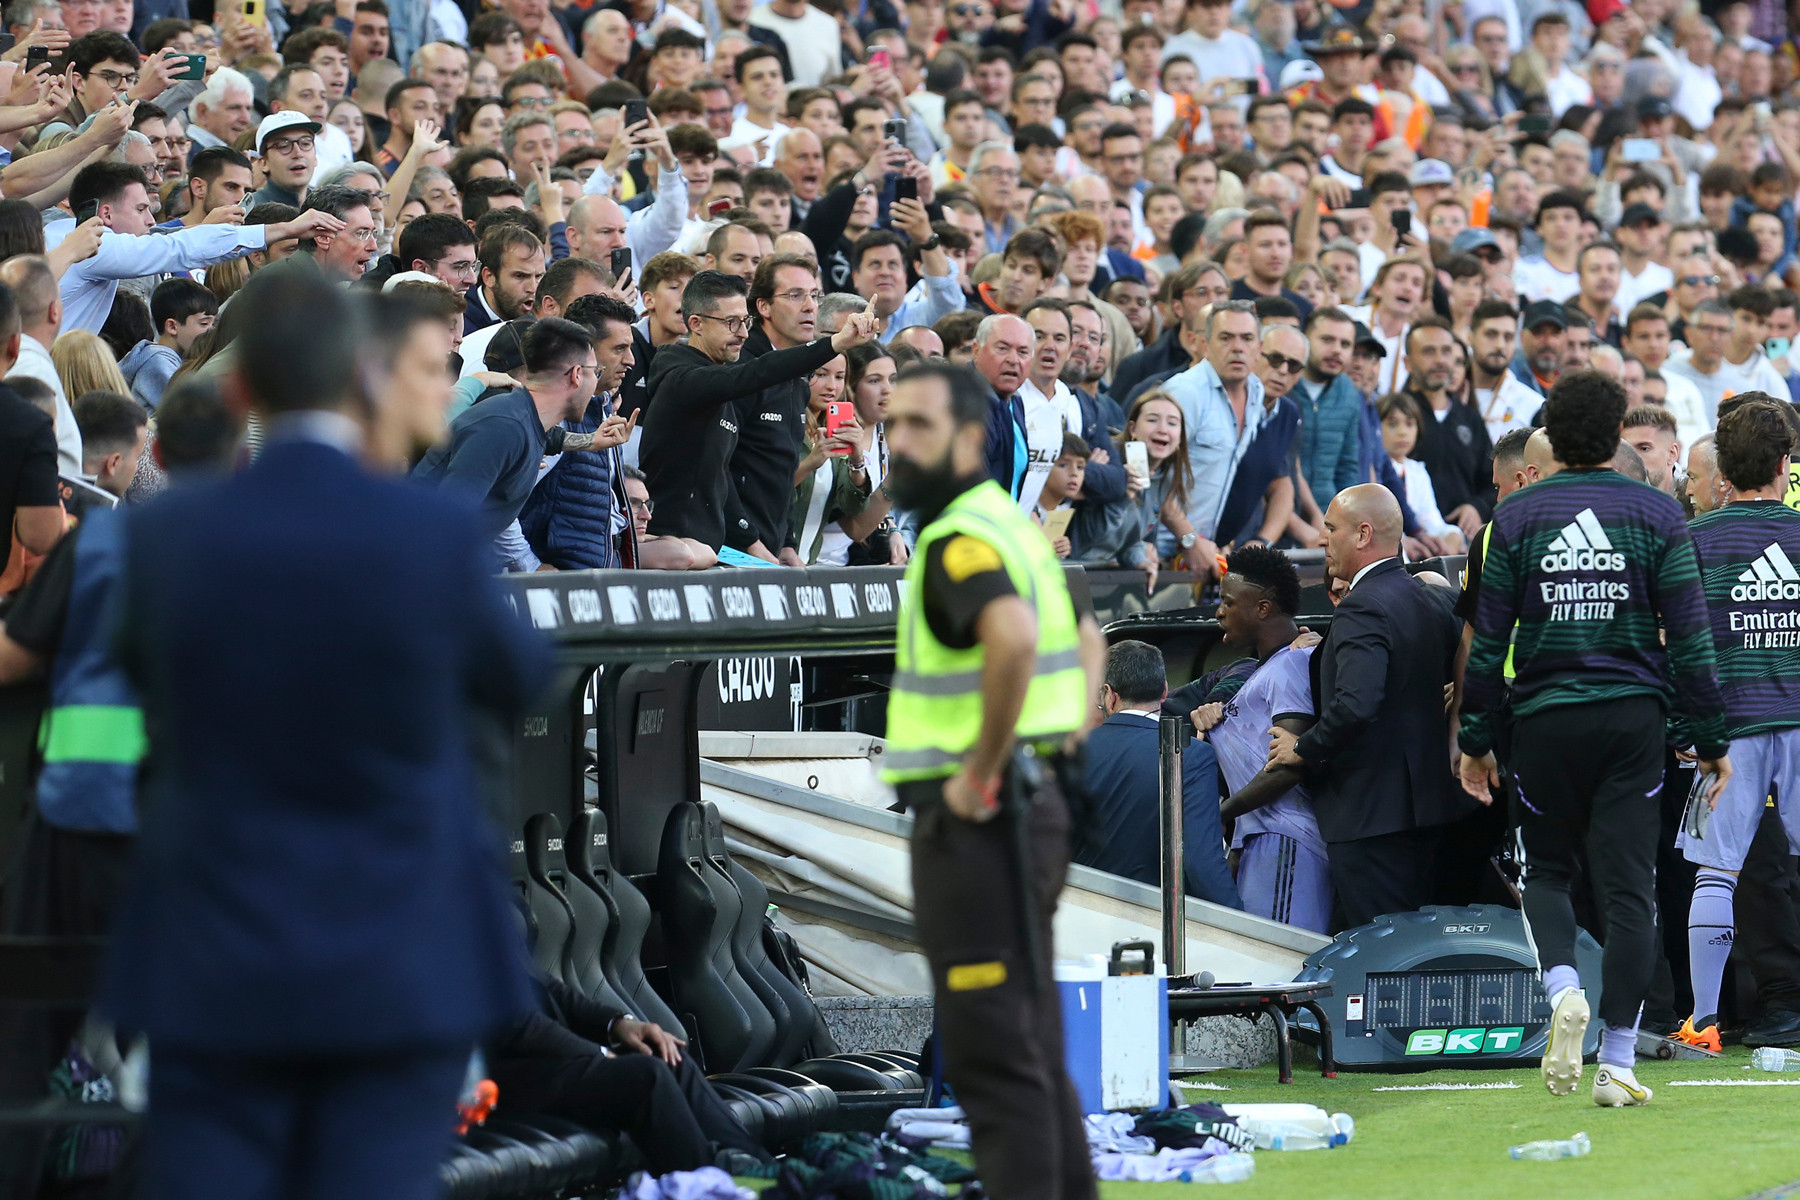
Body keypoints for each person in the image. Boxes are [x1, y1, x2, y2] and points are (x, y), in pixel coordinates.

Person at [98, 272, 552, 1200]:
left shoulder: (170, 533)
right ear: (365, 376)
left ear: (240, 389)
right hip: (396, 947)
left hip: (213, 943)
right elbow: (521, 675)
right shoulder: (427, 530)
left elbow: (136, 681)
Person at [1459, 369, 1731, 1109]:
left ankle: (1564, 992)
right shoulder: (1656, 514)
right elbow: (1693, 642)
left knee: (1545, 873)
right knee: (1629, 891)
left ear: (1552, 431)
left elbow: (1487, 645)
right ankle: (1615, 1061)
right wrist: (1710, 741)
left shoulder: (1513, 519)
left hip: (1543, 719)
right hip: (1632, 721)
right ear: (1615, 433)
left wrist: (1476, 738)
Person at [881, 359, 1104, 1200]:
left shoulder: (959, 538)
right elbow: (1088, 639)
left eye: (920, 427)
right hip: (1029, 799)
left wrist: (982, 767)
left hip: (980, 818)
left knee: (991, 1056)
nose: (899, 441)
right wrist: (1061, 746)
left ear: (971, 439)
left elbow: (1011, 637)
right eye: (893, 423)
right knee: (1031, 1044)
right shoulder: (1012, 523)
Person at [1267, 483, 1464, 929]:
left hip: (1371, 817)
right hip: (1426, 809)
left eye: (1331, 528)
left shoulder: (1363, 607)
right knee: (1413, 951)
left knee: (1380, 958)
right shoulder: (1427, 596)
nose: (1322, 539)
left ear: (1362, 535)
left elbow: (1356, 705)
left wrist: (1302, 747)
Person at [1675, 398, 1800, 1054]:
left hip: (1724, 733)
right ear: (1786, 465)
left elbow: (1677, 644)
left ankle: (1702, 1022)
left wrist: (1683, 726)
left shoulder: (1694, 541)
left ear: (1722, 468)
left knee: (1713, 873)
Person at [639, 270, 877, 554]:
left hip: (712, 549)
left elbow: (724, 477)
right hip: (673, 551)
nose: (742, 332)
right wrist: (835, 343)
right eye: (731, 322)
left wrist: (780, 541)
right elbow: (756, 371)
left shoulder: (721, 378)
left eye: (745, 321)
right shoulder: (681, 378)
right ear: (696, 323)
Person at [412, 317, 634, 564]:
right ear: (577, 375)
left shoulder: (523, 419)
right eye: (596, 372)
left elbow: (549, 438)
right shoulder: (503, 426)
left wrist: (591, 441)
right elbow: (445, 522)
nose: (597, 382)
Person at [1192, 545, 1329, 933]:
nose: (1219, 611)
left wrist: (1217, 815)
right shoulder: (1262, 670)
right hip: (1259, 838)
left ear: (1263, 609)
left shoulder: (1293, 664)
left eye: (1228, 602)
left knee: (1279, 973)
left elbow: (1288, 765)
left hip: (1286, 839)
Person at [1077, 639, 1241, 907]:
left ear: (1109, 694)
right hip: (1158, 921)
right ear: (1164, 691)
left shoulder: (1074, 752)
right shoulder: (1192, 755)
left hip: (1083, 911)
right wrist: (1242, 925)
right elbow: (1202, 862)